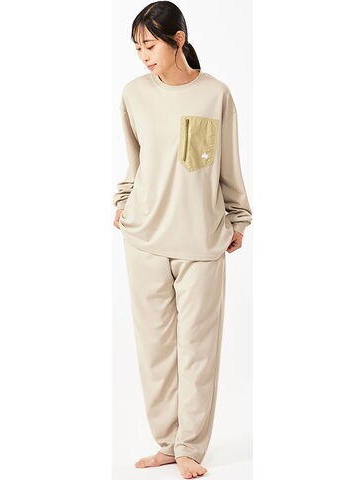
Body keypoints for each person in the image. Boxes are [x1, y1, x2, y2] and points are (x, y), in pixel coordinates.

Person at [112, 2, 252, 478]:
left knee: (198, 348)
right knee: (154, 349)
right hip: (144, 236)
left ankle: (190, 446)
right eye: (136, 48)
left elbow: (227, 162)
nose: (143, 56)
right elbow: (135, 161)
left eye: (150, 45)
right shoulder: (134, 94)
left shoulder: (215, 94)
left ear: (178, 39)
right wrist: (123, 201)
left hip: (202, 240)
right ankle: (167, 444)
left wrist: (238, 218)